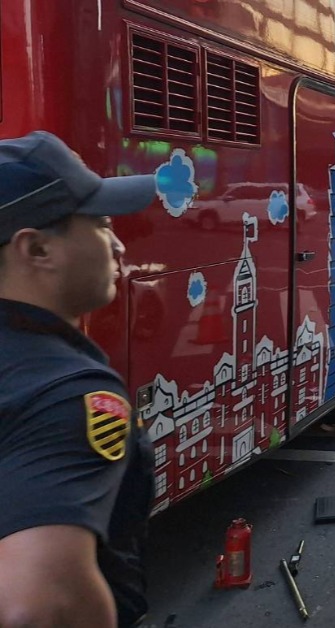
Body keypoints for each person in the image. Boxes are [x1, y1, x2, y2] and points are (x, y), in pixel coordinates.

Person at [0, 131, 156, 628]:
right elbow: (44, 608)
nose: (117, 242)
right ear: (38, 249)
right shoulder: (68, 394)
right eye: (101, 223)